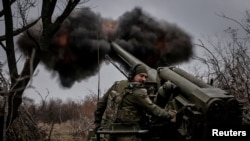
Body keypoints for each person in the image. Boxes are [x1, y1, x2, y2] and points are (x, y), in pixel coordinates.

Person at [93, 64, 177, 141]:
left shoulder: (117, 84)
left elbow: (101, 103)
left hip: (109, 131)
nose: (144, 79)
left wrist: (97, 122)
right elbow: (153, 109)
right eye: (141, 76)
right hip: (128, 133)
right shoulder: (138, 92)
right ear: (133, 75)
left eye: (145, 77)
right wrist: (169, 115)